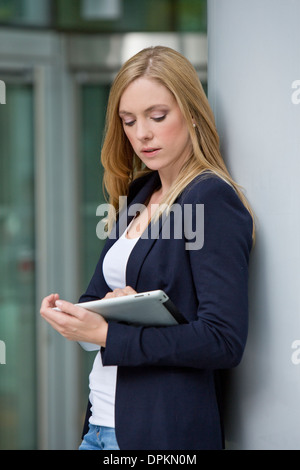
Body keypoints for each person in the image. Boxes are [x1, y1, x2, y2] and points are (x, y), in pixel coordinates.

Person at [40, 46, 254, 450]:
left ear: (191, 113)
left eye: (157, 117)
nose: (142, 134)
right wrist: (83, 317)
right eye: (129, 121)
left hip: (160, 433)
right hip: (100, 424)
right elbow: (95, 300)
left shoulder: (210, 199)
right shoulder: (140, 192)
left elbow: (223, 340)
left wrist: (109, 333)